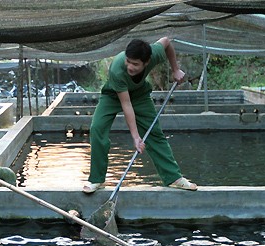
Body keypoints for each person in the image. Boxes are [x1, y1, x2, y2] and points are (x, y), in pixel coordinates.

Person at [83, 37, 197, 193]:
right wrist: (136, 137)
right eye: (128, 61)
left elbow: (167, 41)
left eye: (135, 64)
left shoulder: (154, 53)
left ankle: (173, 178)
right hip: (113, 95)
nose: (130, 66)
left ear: (147, 61)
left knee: (154, 133)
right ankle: (96, 179)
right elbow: (126, 104)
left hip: (139, 95)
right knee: (97, 128)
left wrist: (175, 69)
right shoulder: (118, 68)